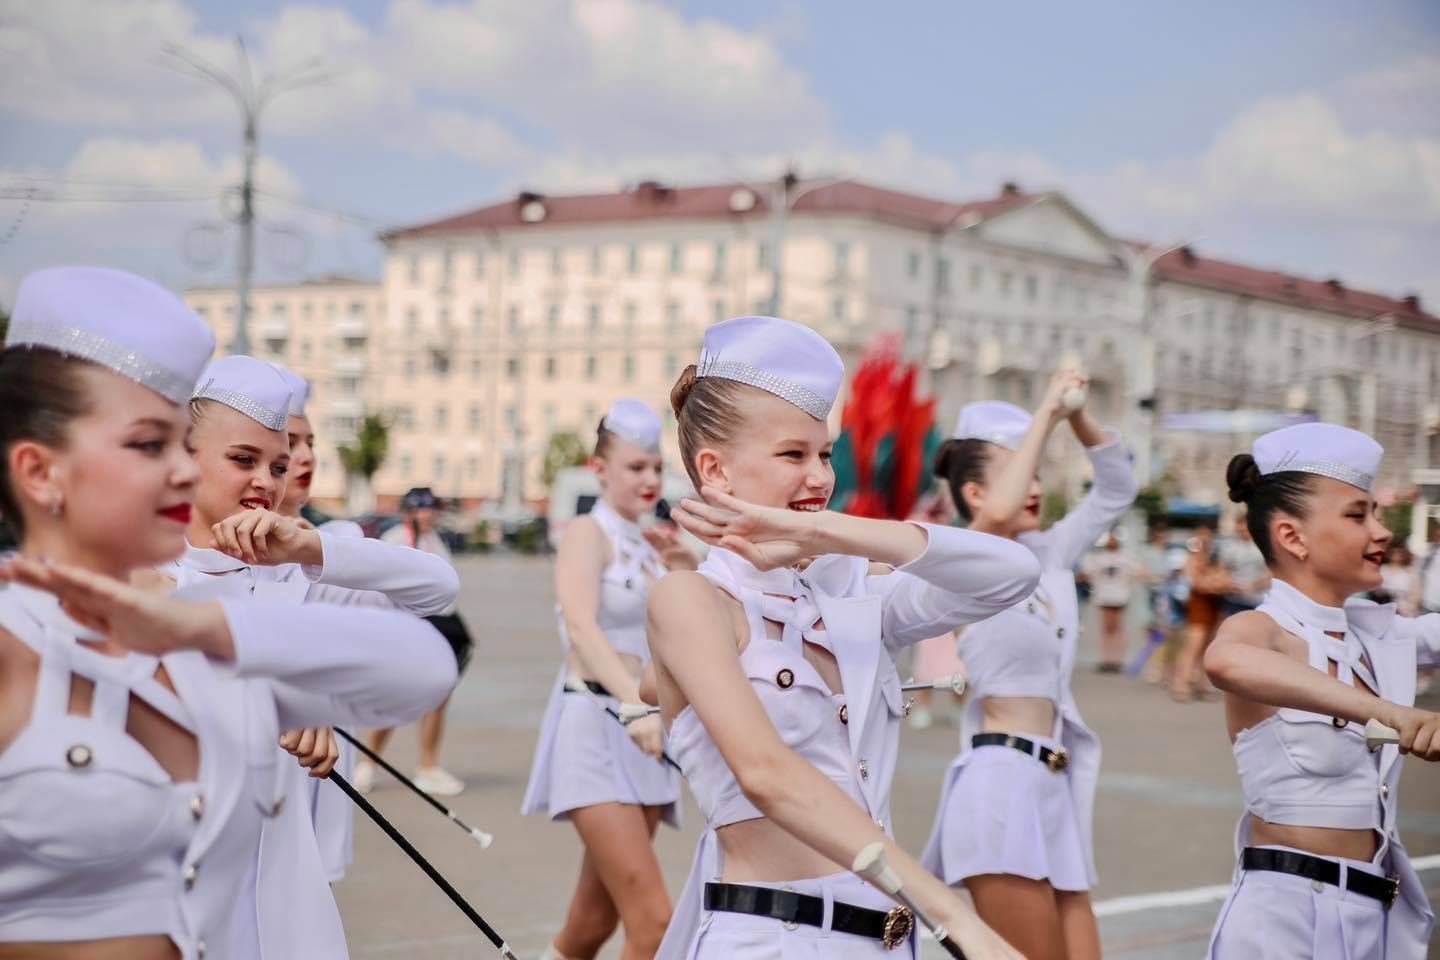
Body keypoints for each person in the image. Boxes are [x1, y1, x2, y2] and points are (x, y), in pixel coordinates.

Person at [0, 266, 457, 960]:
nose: (182, 473)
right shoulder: (17, 639)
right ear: (39, 471)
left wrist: (202, 625)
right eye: (149, 446)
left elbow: (424, 662)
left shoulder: (207, 642)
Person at [650, 315, 1040, 959]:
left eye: (825, 454)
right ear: (714, 471)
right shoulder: (691, 600)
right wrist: (952, 916)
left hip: (881, 942)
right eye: (792, 455)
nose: (819, 476)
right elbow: (767, 776)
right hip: (771, 939)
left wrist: (829, 533)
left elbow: (1010, 575)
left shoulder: (852, 599)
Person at [172, 354, 462, 959]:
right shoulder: (145, 575)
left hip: (282, 882)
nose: (266, 481)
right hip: (170, 876)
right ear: (182, 458)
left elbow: (438, 589)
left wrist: (312, 548)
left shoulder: (299, 576)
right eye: (243, 460)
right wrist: (283, 701)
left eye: (278, 465)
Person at [920, 382, 1139, 960]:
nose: (1037, 488)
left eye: (1040, 473)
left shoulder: (1050, 552)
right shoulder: (965, 554)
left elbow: (1117, 487)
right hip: (999, 786)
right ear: (972, 490)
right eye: (1024, 471)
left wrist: (1077, 415)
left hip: (1053, 783)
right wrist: (1045, 411)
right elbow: (994, 516)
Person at [1205, 422, 1440, 959]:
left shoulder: (1380, 636)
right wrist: (1392, 715)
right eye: (1359, 515)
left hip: (1374, 917)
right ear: (1293, 537)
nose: (1381, 532)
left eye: (1375, 514)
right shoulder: (1264, 632)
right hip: (1284, 920)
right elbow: (1225, 660)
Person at [522, 399, 693, 960]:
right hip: (596, 726)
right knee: (656, 925)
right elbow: (580, 628)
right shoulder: (585, 532)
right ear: (599, 470)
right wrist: (635, 706)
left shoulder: (653, 543)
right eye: (635, 467)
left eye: (655, 467)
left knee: (589, 927)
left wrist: (684, 569)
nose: (649, 479)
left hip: (644, 737)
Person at [355, 486, 474, 797]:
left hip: (436, 629)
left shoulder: (435, 541)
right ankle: (368, 763)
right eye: (422, 508)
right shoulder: (395, 541)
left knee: (437, 698)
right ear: (408, 511)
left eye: (431, 508)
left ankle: (428, 766)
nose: (428, 514)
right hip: (404, 630)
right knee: (394, 698)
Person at [905, 490, 966, 730]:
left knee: (960, 665)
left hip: (955, 599)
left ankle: (958, 707)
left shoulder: (959, 524)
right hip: (927, 601)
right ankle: (922, 707)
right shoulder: (922, 519)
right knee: (926, 663)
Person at [1171, 520, 1227, 702]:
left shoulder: (1214, 558)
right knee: (1193, 646)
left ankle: (1200, 685)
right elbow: (1197, 583)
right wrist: (1214, 584)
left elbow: (1223, 579)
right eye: (1201, 535)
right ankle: (1181, 684)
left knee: (1207, 648)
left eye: (1208, 535)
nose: (1205, 539)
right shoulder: (1192, 558)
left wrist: (1215, 583)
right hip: (1198, 604)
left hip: (1213, 604)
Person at [1080, 532, 1141, 672]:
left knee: (1118, 629)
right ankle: (1106, 659)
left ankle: (1117, 660)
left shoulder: (1125, 557)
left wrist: (1128, 582)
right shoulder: (1099, 558)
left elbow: (1139, 571)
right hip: (1104, 597)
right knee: (1106, 629)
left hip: (1120, 597)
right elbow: (1088, 573)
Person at [1217, 511, 1268, 619]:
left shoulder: (1263, 545)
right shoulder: (1229, 547)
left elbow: (1271, 571)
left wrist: (1255, 585)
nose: (1241, 530)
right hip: (1234, 600)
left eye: (1243, 527)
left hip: (1260, 599)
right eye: (1238, 527)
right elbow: (1222, 569)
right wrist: (1228, 583)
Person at [1377, 543, 1420, 617]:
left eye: (1399, 553)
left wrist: (1410, 607)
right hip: (1382, 608)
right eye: (1393, 552)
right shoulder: (1382, 569)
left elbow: (1416, 594)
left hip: (1405, 610)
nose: (1396, 555)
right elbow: (1376, 590)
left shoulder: (1410, 571)